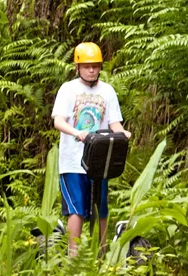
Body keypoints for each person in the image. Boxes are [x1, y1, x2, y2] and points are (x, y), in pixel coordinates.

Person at [52, 42, 131, 257]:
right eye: (87, 66)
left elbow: (114, 123)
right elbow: (58, 121)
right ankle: (74, 257)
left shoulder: (107, 91)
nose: (91, 70)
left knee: (100, 208)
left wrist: (122, 134)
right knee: (76, 208)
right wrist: (77, 133)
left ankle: (101, 255)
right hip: (73, 162)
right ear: (77, 67)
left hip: (99, 162)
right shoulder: (68, 89)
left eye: (95, 66)